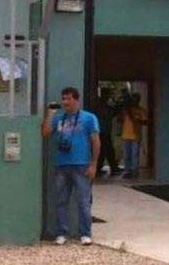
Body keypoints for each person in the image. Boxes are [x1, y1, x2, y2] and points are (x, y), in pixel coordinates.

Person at [41, 86, 100, 246]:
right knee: (61, 201)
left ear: (76, 100)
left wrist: (94, 164)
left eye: (68, 98)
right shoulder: (59, 118)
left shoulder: (89, 118)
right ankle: (62, 233)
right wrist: (50, 114)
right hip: (62, 164)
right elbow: (45, 133)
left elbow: (95, 141)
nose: (65, 102)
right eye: (63, 99)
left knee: (83, 201)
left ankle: (85, 233)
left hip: (81, 164)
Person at [119, 92, 148, 179]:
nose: (135, 101)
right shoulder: (126, 110)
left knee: (134, 154)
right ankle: (127, 171)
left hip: (136, 135)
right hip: (125, 135)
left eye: (136, 99)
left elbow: (145, 122)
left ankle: (134, 171)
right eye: (133, 99)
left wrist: (136, 119)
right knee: (126, 155)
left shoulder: (141, 110)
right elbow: (119, 120)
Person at [94, 91, 120, 176]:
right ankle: (113, 167)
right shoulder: (103, 107)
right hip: (103, 131)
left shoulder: (100, 106)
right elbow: (113, 112)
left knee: (102, 151)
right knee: (108, 150)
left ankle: (99, 168)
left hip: (102, 131)